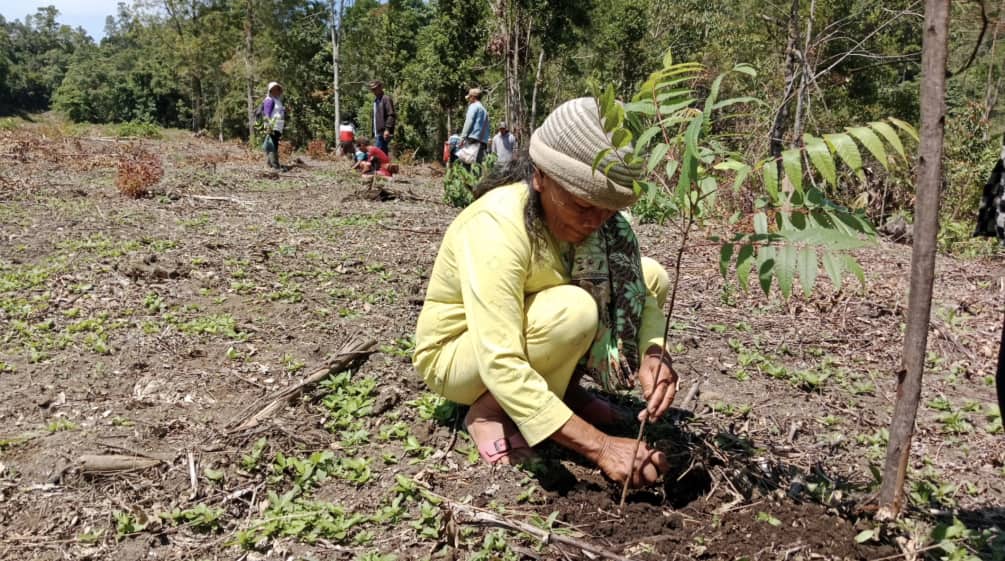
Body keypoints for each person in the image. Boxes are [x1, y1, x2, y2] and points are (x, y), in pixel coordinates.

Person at [413, 97, 678, 489]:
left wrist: (654, 352)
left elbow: (643, 290)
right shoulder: (497, 226)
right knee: (574, 311)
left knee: (649, 276)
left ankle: (563, 392)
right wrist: (603, 448)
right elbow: (499, 361)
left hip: (524, 333)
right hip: (459, 355)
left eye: (606, 211)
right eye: (582, 206)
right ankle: (489, 412)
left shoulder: (602, 224)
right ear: (540, 177)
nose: (595, 222)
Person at [459, 88, 490, 165]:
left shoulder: (473, 106)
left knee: (466, 164)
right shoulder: (484, 110)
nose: (469, 99)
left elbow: (468, 122)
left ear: (473, 97)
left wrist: (462, 137)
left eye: (470, 97)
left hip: (473, 140)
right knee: (477, 166)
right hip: (482, 141)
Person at [262, 81, 286, 170]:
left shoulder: (278, 100)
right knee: (272, 145)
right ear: (270, 91)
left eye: (277, 89)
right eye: (274, 89)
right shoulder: (269, 100)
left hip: (278, 125)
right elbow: (266, 114)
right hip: (272, 125)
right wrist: (268, 126)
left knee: (274, 144)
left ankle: (270, 165)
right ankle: (275, 166)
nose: (276, 91)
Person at [369, 80, 396, 156]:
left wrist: (387, 129)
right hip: (377, 133)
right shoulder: (376, 101)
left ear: (380, 87)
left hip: (383, 132)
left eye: (375, 88)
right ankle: (386, 167)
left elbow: (391, 115)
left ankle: (382, 167)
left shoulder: (386, 99)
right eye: (372, 89)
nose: (373, 91)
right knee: (382, 154)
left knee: (378, 154)